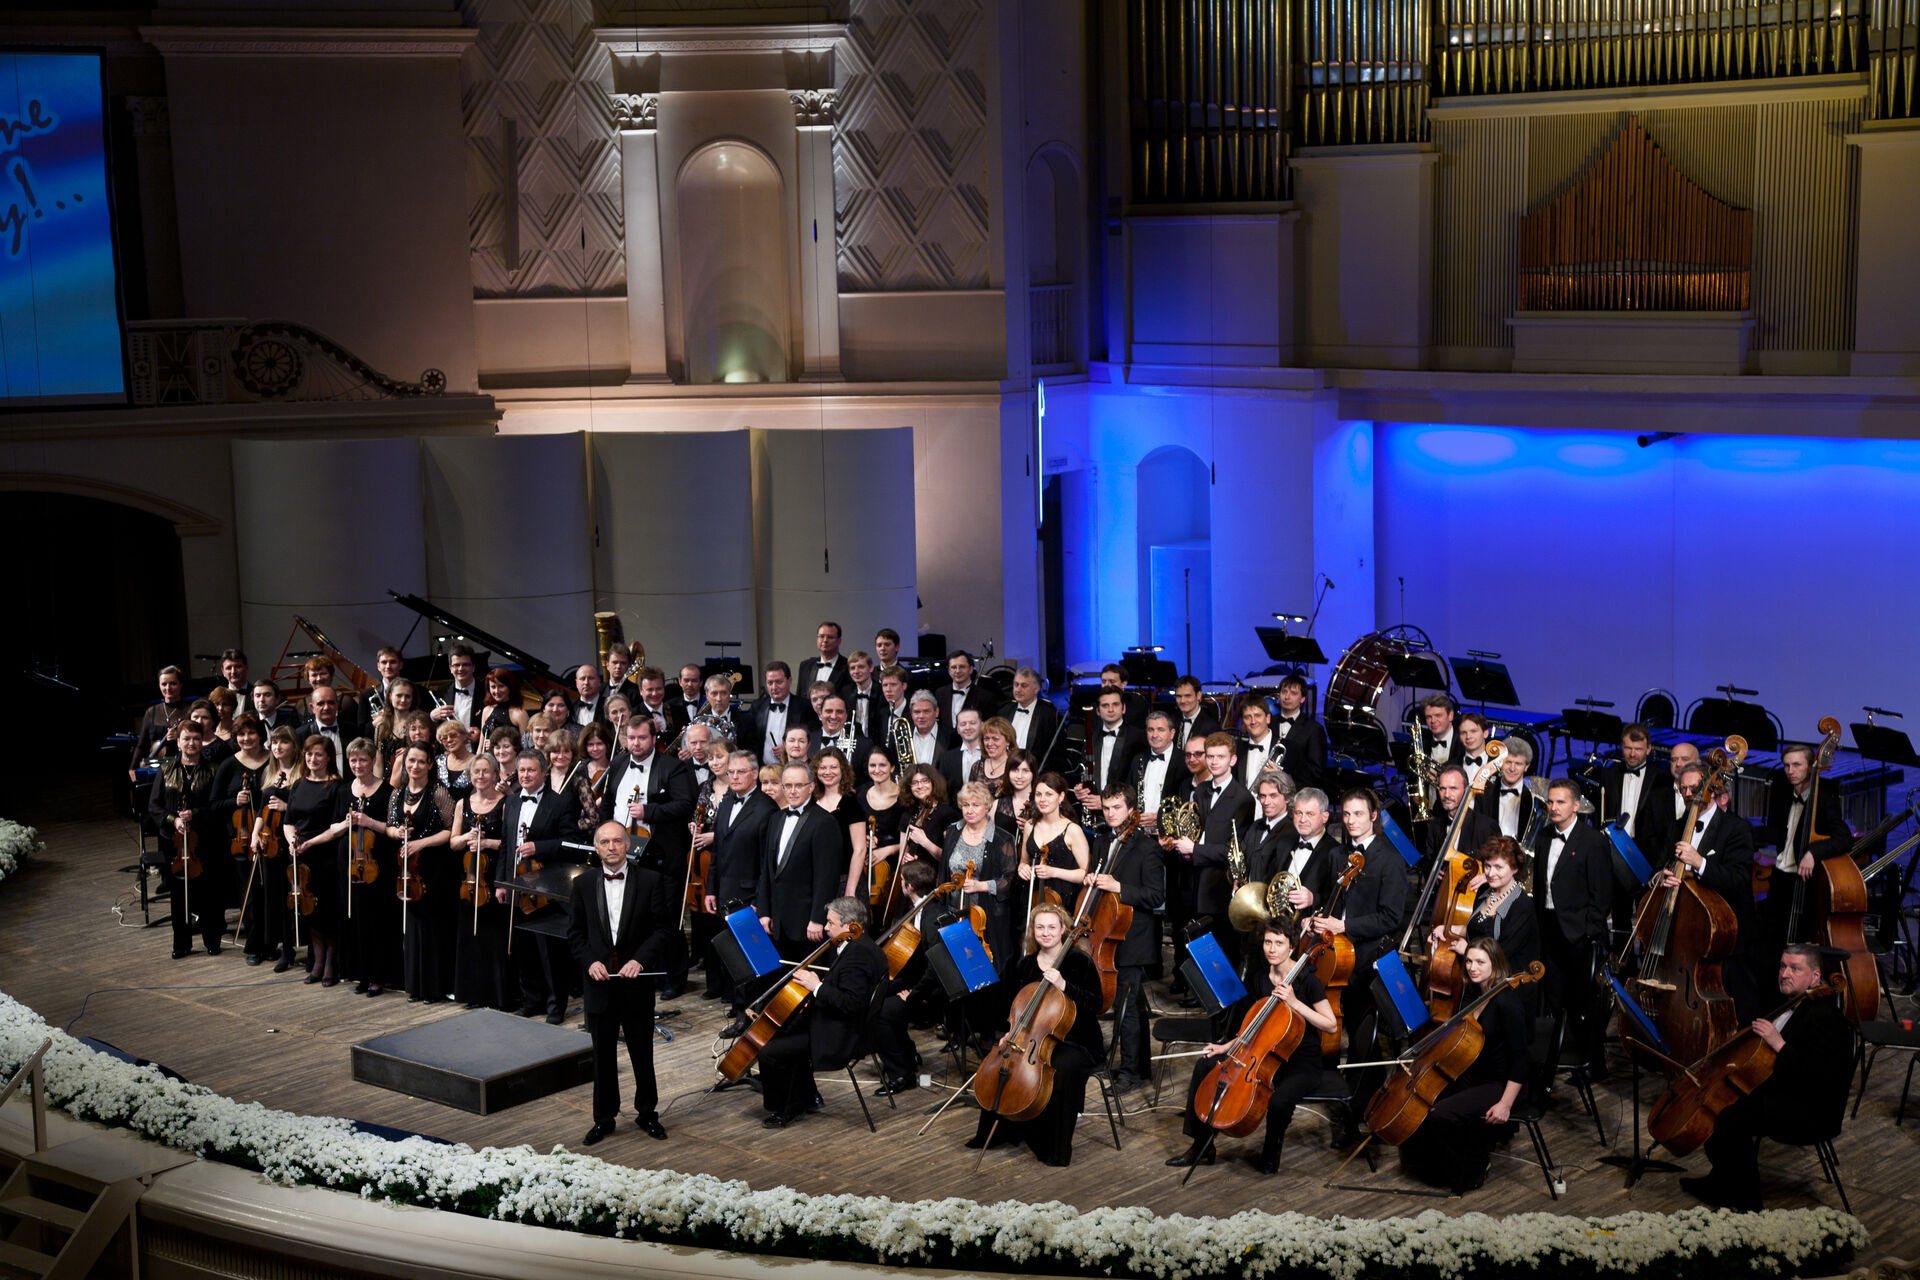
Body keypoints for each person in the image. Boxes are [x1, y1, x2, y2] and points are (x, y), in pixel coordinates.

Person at [1679, 943, 1854, 1212]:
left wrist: (1779, 1044)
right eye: (1783, 966)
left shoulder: (1826, 1018)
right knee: (1720, 1103)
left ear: (1816, 977)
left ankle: (1747, 1202)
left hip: (1811, 1110)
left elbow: (1818, 1078)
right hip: (1785, 1090)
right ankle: (1722, 1181)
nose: (1785, 974)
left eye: (1795, 969)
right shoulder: (1792, 1002)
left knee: (1730, 1116)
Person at [1167, 920, 1339, 1173]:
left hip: (1300, 1061)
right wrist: (1225, 1047)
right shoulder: (1260, 978)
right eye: (1268, 942)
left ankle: (1270, 1155)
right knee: (1206, 1065)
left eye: (1279, 943)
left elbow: (1331, 1025)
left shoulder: (1307, 981)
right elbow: (1253, 1025)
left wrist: (1294, 1003)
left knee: (1279, 1102)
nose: (1272, 949)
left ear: (1292, 947)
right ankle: (1201, 1146)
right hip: (1262, 1052)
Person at [968, 902, 1104, 1166]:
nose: (1046, 933)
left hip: (1076, 1040)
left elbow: (1096, 1004)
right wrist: (1009, 1033)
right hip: (1028, 1037)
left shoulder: (1079, 962)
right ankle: (1006, 1130)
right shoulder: (1024, 965)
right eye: (1040, 927)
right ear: (1033, 930)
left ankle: (1052, 1146)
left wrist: (1065, 985)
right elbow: (1009, 1006)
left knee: (1059, 1072)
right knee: (1003, 1067)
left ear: (1063, 929)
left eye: (1052, 927)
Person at [1307, 789, 1408, 1138]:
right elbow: (1332, 900)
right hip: (1336, 956)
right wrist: (1319, 918)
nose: (1350, 821)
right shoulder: (1338, 855)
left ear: (1374, 816)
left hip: (1368, 960)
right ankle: (1344, 1096)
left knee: (1364, 1038)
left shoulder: (1390, 860)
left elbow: (1391, 918)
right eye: (1346, 814)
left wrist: (1345, 926)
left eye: (1358, 814)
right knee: (1340, 1027)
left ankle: (1357, 1111)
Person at [1397, 939, 1531, 1194]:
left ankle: (1473, 1168)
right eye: (1469, 961)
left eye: (1480, 962)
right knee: (1425, 1100)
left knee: (1442, 1114)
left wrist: (1505, 1104)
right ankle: (1433, 1165)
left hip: (1501, 1083)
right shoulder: (1476, 994)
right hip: (1475, 1073)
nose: (1472, 967)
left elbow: (1521, 1060)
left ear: (1495, 964)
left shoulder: (1506, 1002)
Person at [571, 820, 675, 1145]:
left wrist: (639, 960)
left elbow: (663, 929)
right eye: (605, 842)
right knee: (602, 1057)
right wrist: (590, 962)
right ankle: (603, 1119)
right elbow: (575, 934)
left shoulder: (650, 880)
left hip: (636, 984)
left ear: (628, 845)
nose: (612, 847)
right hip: (599, 985)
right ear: (596, 848)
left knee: (642, 1054)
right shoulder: (583, 884)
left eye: (617, 841)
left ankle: (647, 1114)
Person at [754, 896, 889, 1128]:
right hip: (837, 1024)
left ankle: (784, 1108)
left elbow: (851, 1003)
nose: (826, 927)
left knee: (769, 1052)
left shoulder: (859, 955)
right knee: (785, 1031)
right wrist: (818, 992)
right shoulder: (860, 945)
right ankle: (806, 1096)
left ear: (850, 926)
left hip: (840, 1036)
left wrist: (816, 986)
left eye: (830, 923)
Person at [1532, 777, 1614, 1078]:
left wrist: (1588, 931)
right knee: (1554, 998)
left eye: (1560, 802)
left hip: (1579, 934)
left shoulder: (1592, 841)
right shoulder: (1543, 836)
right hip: (1549, 929)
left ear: (1576, 806)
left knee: (1583, 1002)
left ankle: (1593, 1064)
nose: (1553, 807)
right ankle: (1558, 1058)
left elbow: (1602, 894)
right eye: (1550, 802)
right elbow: (1540, 886)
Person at [1087, 784, 1165, 1091]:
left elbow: (1156, 896)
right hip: (1107, 931)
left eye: (1116, 808)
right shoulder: (1102, 840)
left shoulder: (1147, 847)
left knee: (1127, 1008)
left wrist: (1119, 887)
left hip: (1133, 938)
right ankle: (1137, 1066)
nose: (1110, 814)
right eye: (1106, 808)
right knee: (1130, 1005)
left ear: (1132, 810)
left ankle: (1130, 1073)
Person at [705, 751, 778, 1034]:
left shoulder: (766, 808)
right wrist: (711, 889)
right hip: (725, 893)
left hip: (749, 898)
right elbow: (718, 852)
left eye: (740, 772)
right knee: (734, 959)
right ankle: (740, 1011)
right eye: (731, 772)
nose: (734, 777)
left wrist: (761, 901)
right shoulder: (726, 803)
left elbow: (767, 864)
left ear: (754, 774)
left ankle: (750, 1017)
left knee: (753, 962)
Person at [871, 860, 958, 1094]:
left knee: (882, 1014)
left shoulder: (934, 917)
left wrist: (914, 995)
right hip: (918, 980)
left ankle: (902, 1074)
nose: (899, 884)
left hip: (936, 991)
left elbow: (936, 969)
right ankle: (908, 1055)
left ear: (909, 886)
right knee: (875, 997)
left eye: (901, 880)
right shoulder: (919, 908)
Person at [1171, 732, 1256, 969]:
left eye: (1220, 756)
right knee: (1193, 948)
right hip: (1192, 882)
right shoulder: (1200, 791)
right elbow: (1197, 831)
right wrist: (1186, 847)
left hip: (1219, 887)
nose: (1214, 761)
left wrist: (1195, 849)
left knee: (1222, 952)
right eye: (1210, 756)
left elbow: (1235, 851)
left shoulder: (1243, 799)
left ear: (1233, 760)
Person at [1430, 836, 1540, 1014]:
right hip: (1476, 982)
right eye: (1487, 866)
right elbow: (1477, 927)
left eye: (1498, 867)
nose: (1490, 873)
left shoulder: (1522, 907)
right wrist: (1447, 929)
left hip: (1503, 993)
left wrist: (1467, 950)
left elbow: (1501, 954)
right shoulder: (1485, 893)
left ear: (1515, 869)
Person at [149, 719, 228, 959]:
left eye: (196, 738)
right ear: (179, 742)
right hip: (173, 841)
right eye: (186, 738)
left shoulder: (213, 769)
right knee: (178, 894)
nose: (191, 743)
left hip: (205, 839)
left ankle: (212, 940)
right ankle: (181, 944)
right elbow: (154, 806)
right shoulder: (166, 769)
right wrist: (173, 820)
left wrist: (196, 814)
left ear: (202, 741)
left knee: (208, 892)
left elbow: (217, 805)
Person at [388, 743, 458, 1003]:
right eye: (411, 761)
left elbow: (451, 830)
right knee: (413, 926)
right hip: (408, 869)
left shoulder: (439, 792)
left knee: (433, 927)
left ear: (430, 764)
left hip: (435, 867)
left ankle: (435, 988)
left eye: (421, 761)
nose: (415, 766)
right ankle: (416, 986)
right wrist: (396, 832)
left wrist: (421, 843)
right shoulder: (398, 793)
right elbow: (388, 826)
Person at [756, 763, 845, 961]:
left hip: (807, 924)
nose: (792, 791)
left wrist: (817, 918)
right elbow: (768, 870)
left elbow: (827, 877)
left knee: (808, 976)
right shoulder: (775, 819)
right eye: (788, 786)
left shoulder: (825, 822)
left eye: (799, 785)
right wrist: (764, 912)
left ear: (811, 786)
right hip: (777, 923)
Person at [334, 737, 400, 996]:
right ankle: (360, 973)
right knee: (355, 920)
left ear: (373, 760)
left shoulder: (387, 791)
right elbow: (333, 825)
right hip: (349, 864)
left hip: (377, 864)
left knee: (377, 922)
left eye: (363, 759)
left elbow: (392, 829)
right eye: (353, 760)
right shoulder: (343, 790)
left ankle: (378, 975)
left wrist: (369, 822)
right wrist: (346, 823)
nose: (358, 764)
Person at [451, 753, 514, 1010]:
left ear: (495, 774)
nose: (480, 776)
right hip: (470, 878)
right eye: (476, 771)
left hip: (494, 876)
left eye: (486, 771)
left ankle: (497, 996)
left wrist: (487, 843)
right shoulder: (462, 804)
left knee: (494, 936)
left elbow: (510, 843)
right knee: (471, 936)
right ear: (469, 775)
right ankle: (474, 994)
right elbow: (453, 842)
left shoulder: (506, 803)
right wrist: (467, 837)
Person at [284, 735, 348, 985]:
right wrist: (292, 841)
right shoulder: (299, 784)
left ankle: (331, 963)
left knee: (327, 912)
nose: (313, 759)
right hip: (301, 856)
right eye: (309, 754)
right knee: (308, 912)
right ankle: (317, 961)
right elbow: (289, 821)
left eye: (319, 754)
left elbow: (337, 827)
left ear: (329, 757)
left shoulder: (336, 787)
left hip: (325, 856)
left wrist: (310, 842)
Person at [942, 782, 1018, 975]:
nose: (970, 810)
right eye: (965, 805)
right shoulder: (953, 831)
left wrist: (981, 885)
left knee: (983, 971)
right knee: (955, 971)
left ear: (987, 806)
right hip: (954, 911)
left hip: (985, 916)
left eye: (976, 805)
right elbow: (943, 869)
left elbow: (1010, 880)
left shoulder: (1002, 839)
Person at [1079, 686, 1143, 803]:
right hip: (1094, 806)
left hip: (1123, 807)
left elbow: (1138, 781)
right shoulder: (1091, 738)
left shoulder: (1137, 737)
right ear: (1098, 711)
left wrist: (1106, 800)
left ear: (1123, 708)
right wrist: (1081, 787)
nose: (1110, 709)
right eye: (1105, 705)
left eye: (1115, 704)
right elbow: (1085, 772)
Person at [1271, 676, 1328, 792]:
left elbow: (1316, 772)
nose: (1287, 697)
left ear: (1302, 699)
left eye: (1293, 693)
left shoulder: (1314, 729)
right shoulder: (1268, 723)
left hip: (1298, 792)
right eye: (1284, 692)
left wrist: (1284, 777)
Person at [1476, 735, 1539, 841]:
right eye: (1508, 762)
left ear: (1526, 766)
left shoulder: (1533, 800)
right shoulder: (1484, 794)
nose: (1512, 769)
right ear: (1500, 762)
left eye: (1518, 764)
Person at [130, 664, 188, 778]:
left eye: (173, 683)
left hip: (180, 767)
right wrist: (132, 768)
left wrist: (179, 736)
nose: (168, 688)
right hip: (154, 769)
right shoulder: (152, 712)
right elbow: (141, 745)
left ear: (181, 684)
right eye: (164, 684)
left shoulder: (189, 710)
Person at [999, 667, 1061, 768]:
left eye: (1024, 685)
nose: (1018, 689)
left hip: (1036, 771)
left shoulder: (1049, 716)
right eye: (1016, 684)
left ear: (1036, 689)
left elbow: (1056, 756)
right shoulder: (1003, 712)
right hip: (1005, 769)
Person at [797, 620, 856, 701]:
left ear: (839, 641)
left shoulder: (849, 667)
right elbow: (800, 698)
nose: (825, 640)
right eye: (821, 636)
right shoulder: (805, 666)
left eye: (830, 637)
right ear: (817, 639)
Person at [936, 648, 994, 731]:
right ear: (949, 671)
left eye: (962, 667)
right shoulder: (940, 694)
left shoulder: (986, 697)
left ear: (970, 670)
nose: (957, 671)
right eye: (953, 667)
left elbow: (989, 728)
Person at [939, 707, 986, 799]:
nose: (968, 727)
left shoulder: (991, 755)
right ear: (958, 729)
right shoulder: (946, 758)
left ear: (982, 725)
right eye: (963, 724)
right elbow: (943, 792)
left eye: (972, 723)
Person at [1169, 675, 1220, 755]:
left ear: (1199, 695)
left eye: (1187, 696)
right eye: (1179, 696)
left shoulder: (1211, 727)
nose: (1182, 701)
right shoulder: (1170, 721)